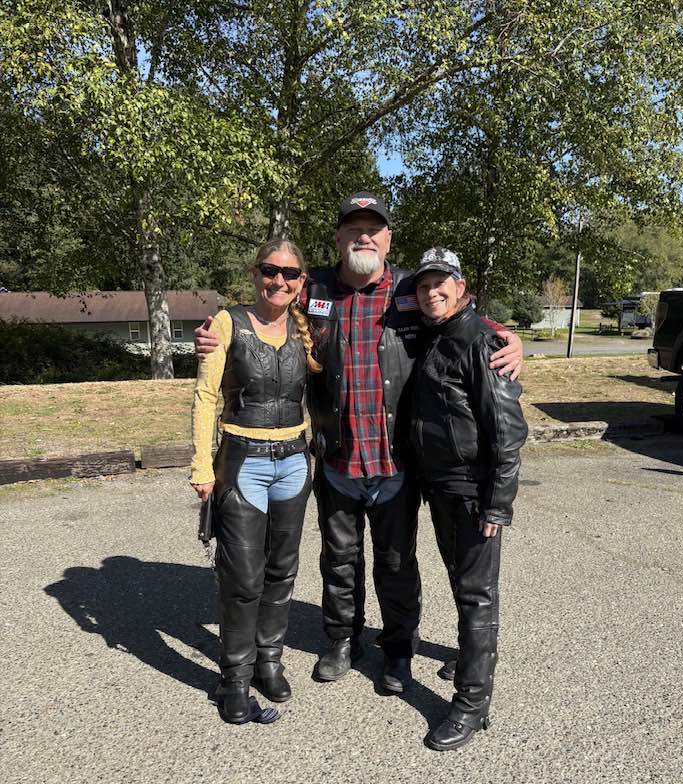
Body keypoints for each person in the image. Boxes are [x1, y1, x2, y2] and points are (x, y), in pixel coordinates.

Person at [195, 192, 523, 696]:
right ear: (339, 238)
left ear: (388, 239)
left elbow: (461, 313)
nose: (363, 237)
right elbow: (265, 308)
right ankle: (342, 640)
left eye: (374, 229)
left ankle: (398, 648)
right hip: (337, 456)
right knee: (339, 561)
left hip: (396, 459)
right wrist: (216, 332)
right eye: (353, 228)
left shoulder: (411, 289)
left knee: (396, 562)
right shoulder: (313, 288)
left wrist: (505, 334)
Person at [190, 238, 321, 725]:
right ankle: (235, 680)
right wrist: (201, 466)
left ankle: (269, 662)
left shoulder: (308, 331)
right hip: (243, 461)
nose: (278, 281)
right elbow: (206, 396)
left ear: (301, 282)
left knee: (282, 571)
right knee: (242, 579)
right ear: (255, 273)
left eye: (290, 274)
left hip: (294, 461)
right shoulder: (227, 323)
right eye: (270, 270)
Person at [409, 248, 528, 751]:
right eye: (423, 285)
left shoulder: (481, 342)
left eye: (441, 283)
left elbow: (508, 431)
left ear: (460, 287)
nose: (431, 292)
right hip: (440, 488)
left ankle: (472, 704)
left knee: (478, 595)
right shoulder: (435, 334)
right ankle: (469, 656)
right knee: (462, 583)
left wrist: (497, 503)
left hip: (472, 493)